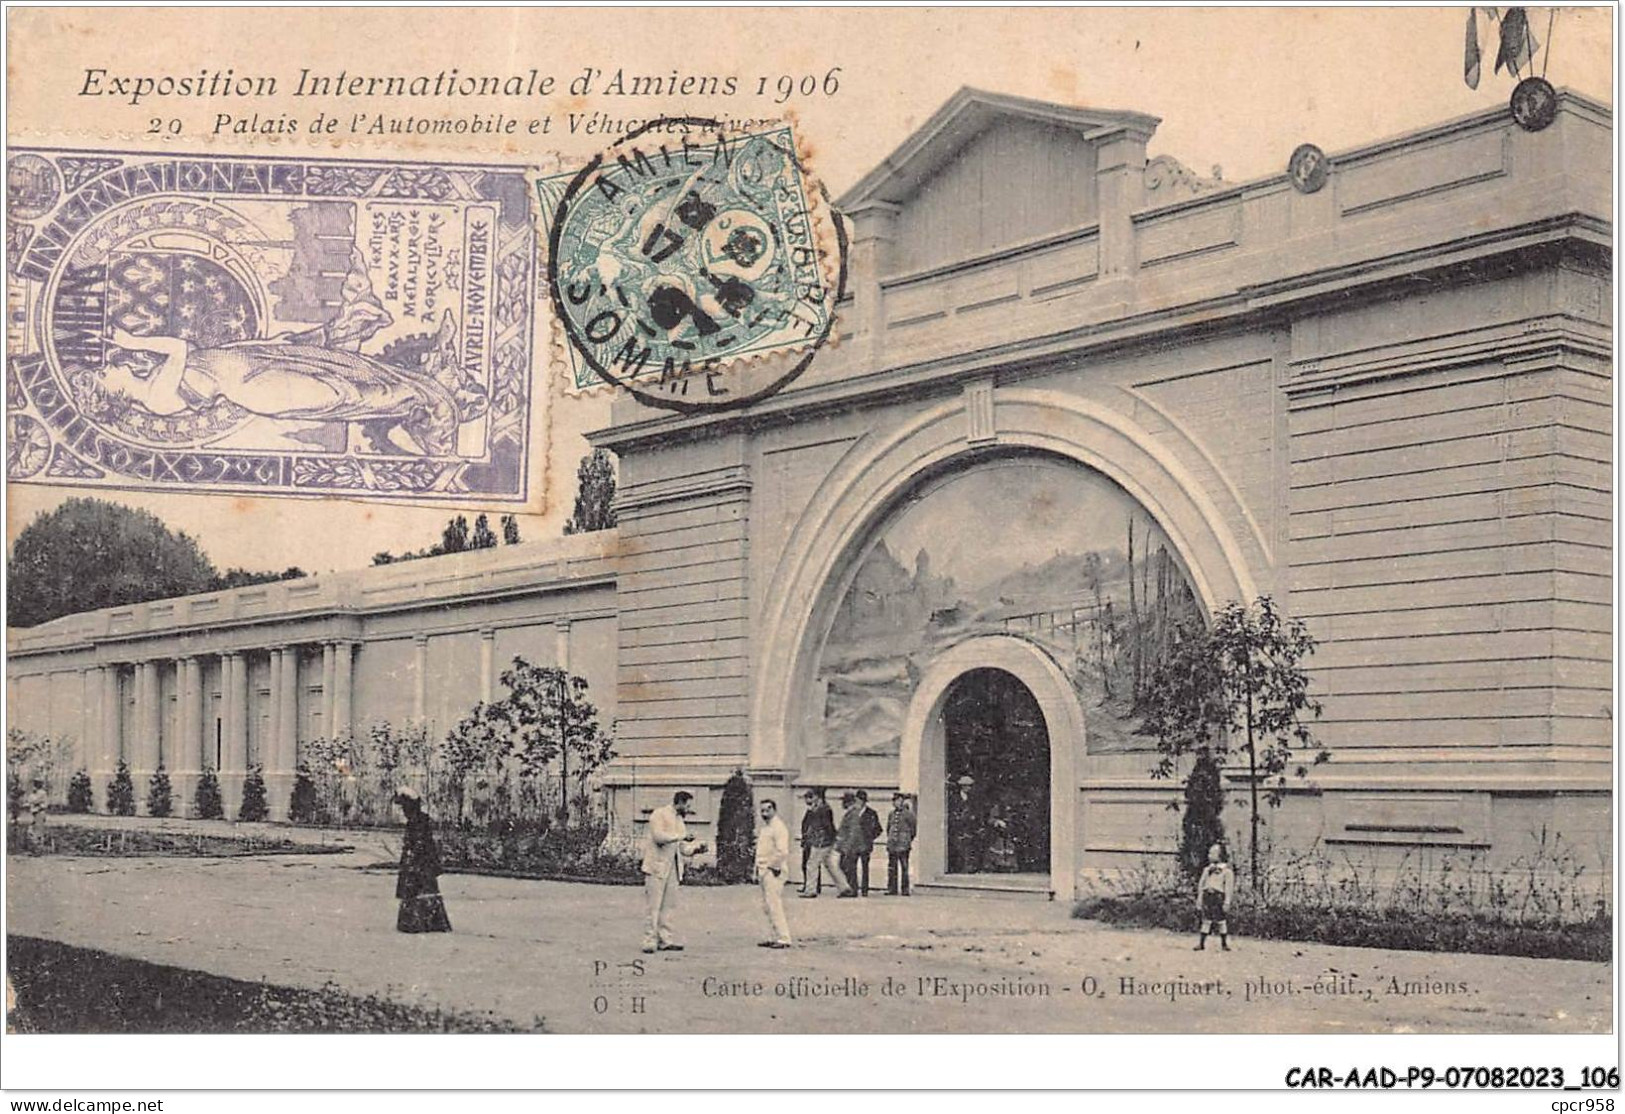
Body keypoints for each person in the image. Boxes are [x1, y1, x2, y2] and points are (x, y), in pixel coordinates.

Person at [641, 790, 707, 953]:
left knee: (669, 906)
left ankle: (666, 940)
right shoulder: (659, 814)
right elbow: (658, 837)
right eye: (688, 806)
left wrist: (697, 849)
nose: (688, 810)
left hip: (673, 869)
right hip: (656, 867)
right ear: (680, 802)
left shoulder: (679, 821)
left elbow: (682, 849)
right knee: (653, 906)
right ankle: (649, 941)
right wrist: (680, 836)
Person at [394, 787, 452, 933]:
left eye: (404, 807)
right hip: (420, 862)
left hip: (420, 862)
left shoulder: (418, 822)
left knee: (418, 890)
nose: (403, 811)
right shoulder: (417, 821)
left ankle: (417, 922)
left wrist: (411, 859)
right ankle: (426, 921)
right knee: (422, 890)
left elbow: (421, 844)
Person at [753, 798, 793, 948]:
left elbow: (782, 851)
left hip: (773, 871)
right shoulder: (766, 828)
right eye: (762, 810)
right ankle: (772, 935)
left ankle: (784, 938)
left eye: (767, 810)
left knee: (774, 904)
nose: (764, 813)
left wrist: (771, 867)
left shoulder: (779, 827)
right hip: (764, 869)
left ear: (774, 810)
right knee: (767, 906)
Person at [798, 788, 847, 898]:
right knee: (830, 865)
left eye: (813, 795)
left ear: (817, 796)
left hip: (821, 841)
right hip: (823, 840)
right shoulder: (821, 808)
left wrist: (831, 837)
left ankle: (810, 890)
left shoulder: (822, 809)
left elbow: (826, 825)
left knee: (812, 864)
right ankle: (844, 887)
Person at [1194, 842, 1235, 951]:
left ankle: (1224, 943)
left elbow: (1228, 888)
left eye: (1213, 853)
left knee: (1221, 920)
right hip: (1208, 896)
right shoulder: (1207, 870)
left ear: (1221, 855)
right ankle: (1201, 943)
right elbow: (1201, 885)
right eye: (1209, 853)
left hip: (1218, 898)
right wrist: (1199, 898)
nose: (1209, 855)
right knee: (1206, 919)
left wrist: (1227, 901)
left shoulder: (1227, 872)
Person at [833, 791, 866, 899]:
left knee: (848, 867)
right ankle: (849, 888)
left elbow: (853, 832)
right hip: (847, 846)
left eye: (843, 801)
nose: (842, 803)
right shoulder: (851, 813)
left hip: (851, 847)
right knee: (845, 866)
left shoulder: (853, 814)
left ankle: (851, 889)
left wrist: (847, 847)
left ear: (848, 802)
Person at [886, 793, 917, 896]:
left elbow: (913, 829)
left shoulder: (908, 814)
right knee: (892, 867)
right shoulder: (891, 814)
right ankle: (892, 888)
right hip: (893, 844)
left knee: (904, 867)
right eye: (895, 801)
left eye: (899, 800)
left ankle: (905, 889)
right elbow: (888, 828)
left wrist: (907, 839)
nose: (897, 803)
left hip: (903, 844)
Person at [854, 789, 882, 896]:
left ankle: (865, 889)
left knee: (865, 867)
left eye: (859, 800)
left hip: (865, 845)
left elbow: (878, 829)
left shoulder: (871, 813)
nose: (857, 802)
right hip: (854, 845)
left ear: (863, 801)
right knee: (853, 867)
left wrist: (870, 838)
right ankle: (854, 888)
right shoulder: (853, 812)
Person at [26, 777, 49, 854]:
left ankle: (38, 850)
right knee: (30, 831)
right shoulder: (33, 793)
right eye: (35, 783)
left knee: (39, 831)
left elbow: (45, 804)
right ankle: (33, 849)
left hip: (40, 813)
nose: (36, 784)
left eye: (38, 783)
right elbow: (29, 801)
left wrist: (37, 805)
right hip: (33, 814)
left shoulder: (43, 793)